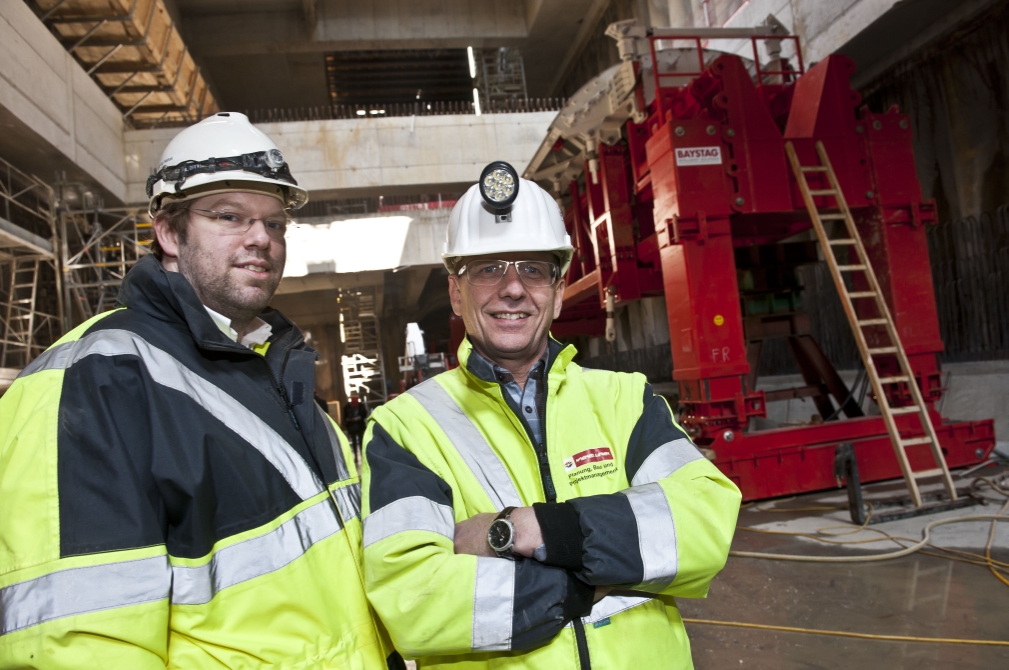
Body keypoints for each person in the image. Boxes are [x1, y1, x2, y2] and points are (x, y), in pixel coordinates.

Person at [0, 113, 396, 668]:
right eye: (229, 216)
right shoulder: (95, 382)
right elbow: (76, 643)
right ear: (168, 232)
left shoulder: (275, 373)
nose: (261, 238)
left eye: (275, 224)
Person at [361, 161, 742, 669]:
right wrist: (592, 578)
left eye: (533, 269)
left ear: (559, 291)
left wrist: (519, 531)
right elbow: (413, 602)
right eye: (489, 268)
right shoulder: (405, 427)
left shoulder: (625, 399)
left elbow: (705, 524)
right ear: (456, 292)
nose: (513, 289)